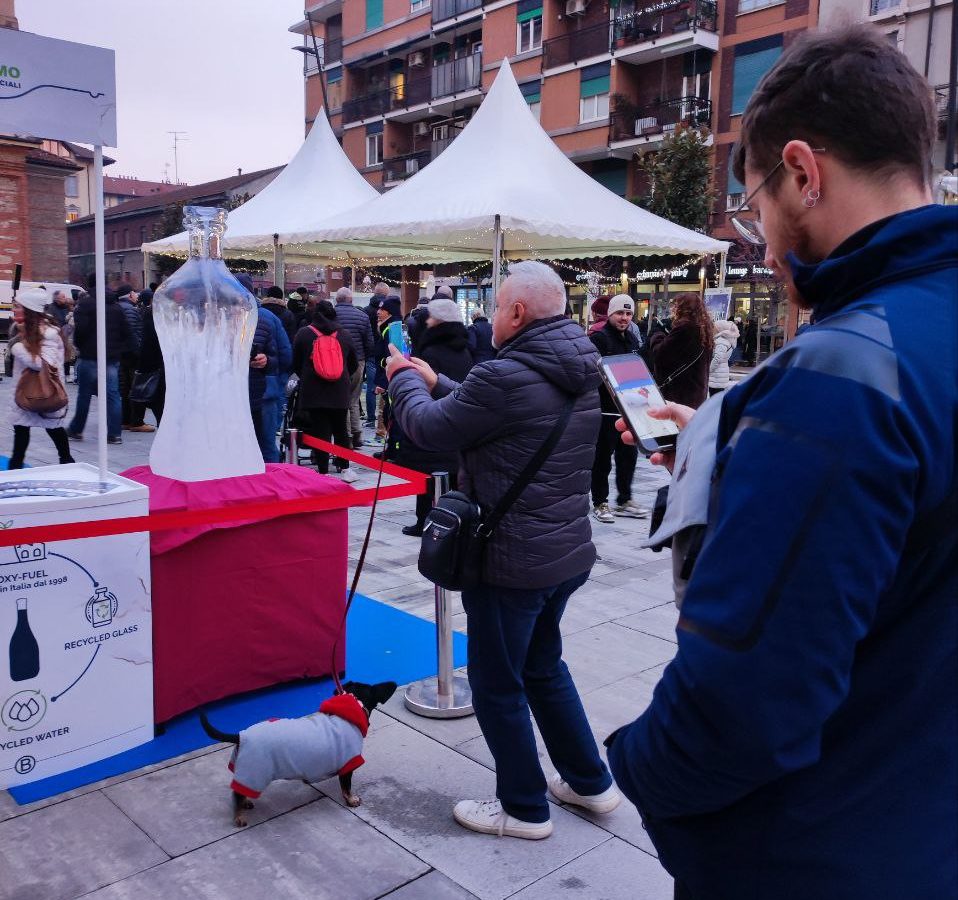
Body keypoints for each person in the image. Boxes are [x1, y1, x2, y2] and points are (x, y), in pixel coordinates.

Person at [605, 26, 958, 900]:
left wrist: (638, 768)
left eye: (755, 205)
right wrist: (744, 436)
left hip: (817, 851)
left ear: (803, 171)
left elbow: (738, 706)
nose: (762, 244)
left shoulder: (839, 377)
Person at [386, 260, 621, 839]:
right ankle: (591, 783)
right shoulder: (577, 364)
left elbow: (429, 430)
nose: (490, 316)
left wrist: (404, 380)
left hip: (511, 561)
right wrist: (441, 383)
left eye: (495, 306)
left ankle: (523, 807)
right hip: (563, 553)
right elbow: (509, 409)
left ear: (517, 313)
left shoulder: (508, 374)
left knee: (497, 683)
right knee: (543, 667)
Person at [388, 298, 473, 536]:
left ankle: (424, 521)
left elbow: (421, 386)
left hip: (432, 419)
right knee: (454, 477)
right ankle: (454, 518)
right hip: (457, 424)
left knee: (426, 477)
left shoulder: (430, 351)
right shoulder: (465, 349)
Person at [588, 295, 646, 523]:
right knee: (602, 459)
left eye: (628, 314)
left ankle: (624, 500)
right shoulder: (599, 339)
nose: (624, 318)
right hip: (605, 410)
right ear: (610, 314)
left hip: (628, 409)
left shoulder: (632, 338)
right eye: (619, 313)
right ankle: (600, 502)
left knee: (628, 456)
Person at [6, 289, 75, 469]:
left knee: (54, 429)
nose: (14, 310)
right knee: (21, 431)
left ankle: (67, 464)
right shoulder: (24, 330)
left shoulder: (49, 334)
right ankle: (15, 468)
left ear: (29, 310)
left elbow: (41, 364)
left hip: (45, 392)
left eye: (18, 307)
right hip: (26, 393)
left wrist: (17, 348)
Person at [292, 299, 359, 482]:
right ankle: (345, 469)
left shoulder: (304, 334)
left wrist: (307, 375)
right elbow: (353, 364)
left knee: (320, 432)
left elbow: (296, 362)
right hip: (339, 391)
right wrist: (341, 375)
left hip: (314, 392)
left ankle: (323, 471)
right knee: (341, 431)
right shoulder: (344, 335)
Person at [67, 275, 131, 445]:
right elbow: (126, 332)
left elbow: (80, 332)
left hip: (89, 356)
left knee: (85, 394)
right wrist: (117, 349)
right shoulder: (116, 307)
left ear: (89, 286)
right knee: (113, 395)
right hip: (110, 358)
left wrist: (82, 347)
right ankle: (115, 434)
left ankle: (77, 429)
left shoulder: (85, 305)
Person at [647, 292, 712, 409]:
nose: (673, 309)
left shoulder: (685, 328)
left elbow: (660, 354)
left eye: (675, 306)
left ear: (683, 308)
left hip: (678, 395)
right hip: (695, 394)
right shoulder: (704, 330)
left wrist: (657, 334)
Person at [333, 286, 374, 448]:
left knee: (341, 398)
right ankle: (357, 435)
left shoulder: (331, 316)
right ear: (351, 300)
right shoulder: (363, 317)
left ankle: (347, 436)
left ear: (337, 300)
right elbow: (370, 344)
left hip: (336, 362)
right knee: (354, 398)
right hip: (358, 361)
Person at [247, 299, 279, 460]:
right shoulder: (269, 319)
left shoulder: (265, 322)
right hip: (262, 392)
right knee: (266, 443)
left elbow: (278, 357)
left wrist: (266, 360)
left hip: (257, 394)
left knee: (262, 442)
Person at [372, 295, 402, 441]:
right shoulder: (388, 326)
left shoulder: (392, 329)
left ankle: (392, 447)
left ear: (390, 312)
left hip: (390, 378)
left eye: (382, 309)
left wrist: (383, 383)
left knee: (389, 413)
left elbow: (390, 358)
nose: (378, 312)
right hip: (388, 377)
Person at [363, 283, 389, 428]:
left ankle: (371, 418)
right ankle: (383, 419)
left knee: (372, 386)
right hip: (386, 352)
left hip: (371, 352)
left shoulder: (366, 310)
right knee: (386, 385)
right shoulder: (389, 310)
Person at [47, 290, 76, 383]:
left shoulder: (67, 307)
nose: (65, 298)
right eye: (63, 297)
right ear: (57, 299)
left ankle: (66, 373)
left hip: (66, 335)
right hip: (55, 334)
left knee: (66, 354)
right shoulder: (51, 308)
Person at [707, 318, 739, 396]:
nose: (713, 330)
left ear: (720, 329)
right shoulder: (726, 340)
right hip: (720, 373)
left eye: (714, 328)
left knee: (714, 399)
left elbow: (718, 358)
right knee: (717, 399)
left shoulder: (721, 341)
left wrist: (708, 370)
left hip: (717, 375)